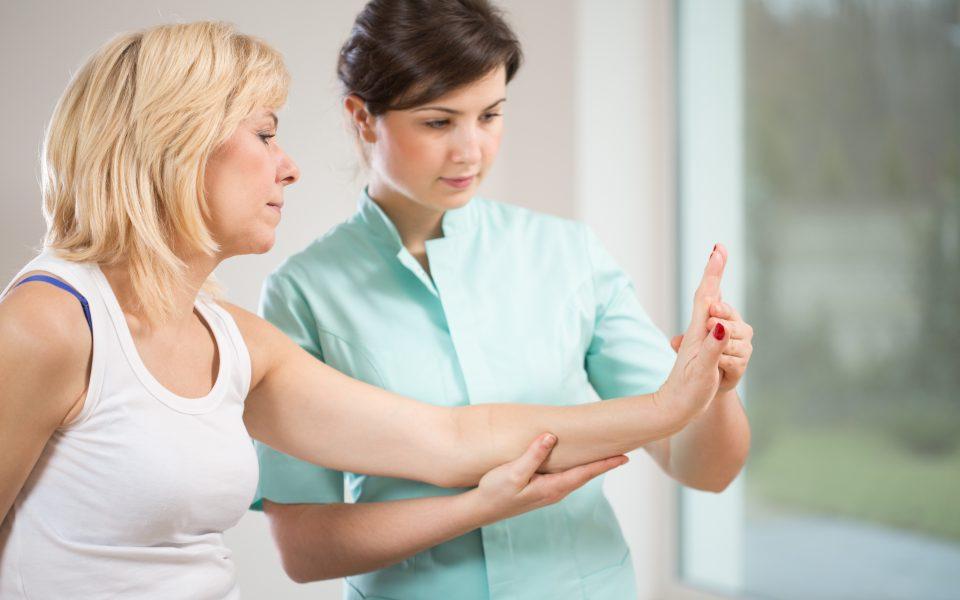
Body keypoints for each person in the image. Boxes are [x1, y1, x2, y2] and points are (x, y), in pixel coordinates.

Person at [0, 20, 737, 599]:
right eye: (263, 133)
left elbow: (454, 438)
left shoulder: (232, 339)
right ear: (172, 143)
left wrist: (679, 402)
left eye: (489, 115)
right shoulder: (48, 324)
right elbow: (312, 540)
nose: (287, 163)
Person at [253, 1, 754, 599]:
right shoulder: (305, 291)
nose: (471, 150)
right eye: (439, 122)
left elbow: (702, 467)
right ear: (363, 118)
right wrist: (476, 508)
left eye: (489, 115)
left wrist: (715, 388)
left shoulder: (568, 254)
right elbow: (304, 548)